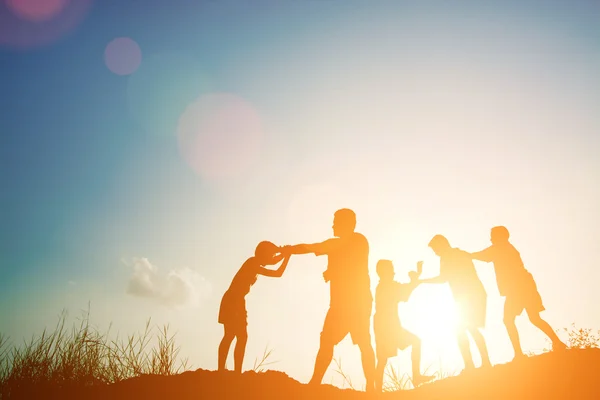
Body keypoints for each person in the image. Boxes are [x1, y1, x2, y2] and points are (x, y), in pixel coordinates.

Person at [283, 208, 376, 392]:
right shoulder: (334, 244)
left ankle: (371, 389)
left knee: (364, 343)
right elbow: (311, 247)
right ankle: (315, 384)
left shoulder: (358, 241)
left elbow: (351, 262)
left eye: (336, 221)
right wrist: (288, 250)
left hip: (357, 302)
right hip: (340, 305)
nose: (332, 225)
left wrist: (333, 271)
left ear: (348, 224)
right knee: (327, 341)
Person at [469, 226, 566, 360]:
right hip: (525, 285)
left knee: (508, 320)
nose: (490, 238)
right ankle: (558, 343)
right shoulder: (505, 247)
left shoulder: (500, 247)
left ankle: (519, 354)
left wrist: (465, 255)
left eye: (492, 235)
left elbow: (484, 256)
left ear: (500, 236)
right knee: (534, 318)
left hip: (518, 287)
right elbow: (485, 255)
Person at [419, 234, 491, 371]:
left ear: (442, 244)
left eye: (435, 249)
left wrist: (422, 281)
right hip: (465, 297)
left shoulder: (454, 255)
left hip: (471, 295)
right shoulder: (447, 257)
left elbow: (443, 278)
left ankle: (479, 364)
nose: (435, 252)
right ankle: (475, 364)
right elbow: (444, 278)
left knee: (467, 329)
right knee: (465, 329)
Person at [217, 241, 291, 373]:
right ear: (264, 254)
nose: (272, 257)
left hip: (234, 300)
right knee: (235, 336)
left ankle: (229, 370)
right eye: (270, 254)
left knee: (234, 336)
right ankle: (230, 371)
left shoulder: (254, 262)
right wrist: (287, 256)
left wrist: (283, 253)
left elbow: (272, 261)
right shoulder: (253, 263)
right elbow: (277, 272)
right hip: (233, 300)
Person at [373, 259, 434, 391]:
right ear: (384, 272)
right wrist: (415, 278)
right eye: (390, 269)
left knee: (382, 359)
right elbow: (405, 293)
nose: (393, 272)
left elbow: (404, 292)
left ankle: (376, 391)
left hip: (386, 325)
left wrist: (415, 279)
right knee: (383, 358)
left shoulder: (385, 286)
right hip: (387, 326)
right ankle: (415, 377)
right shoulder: (387, 286)